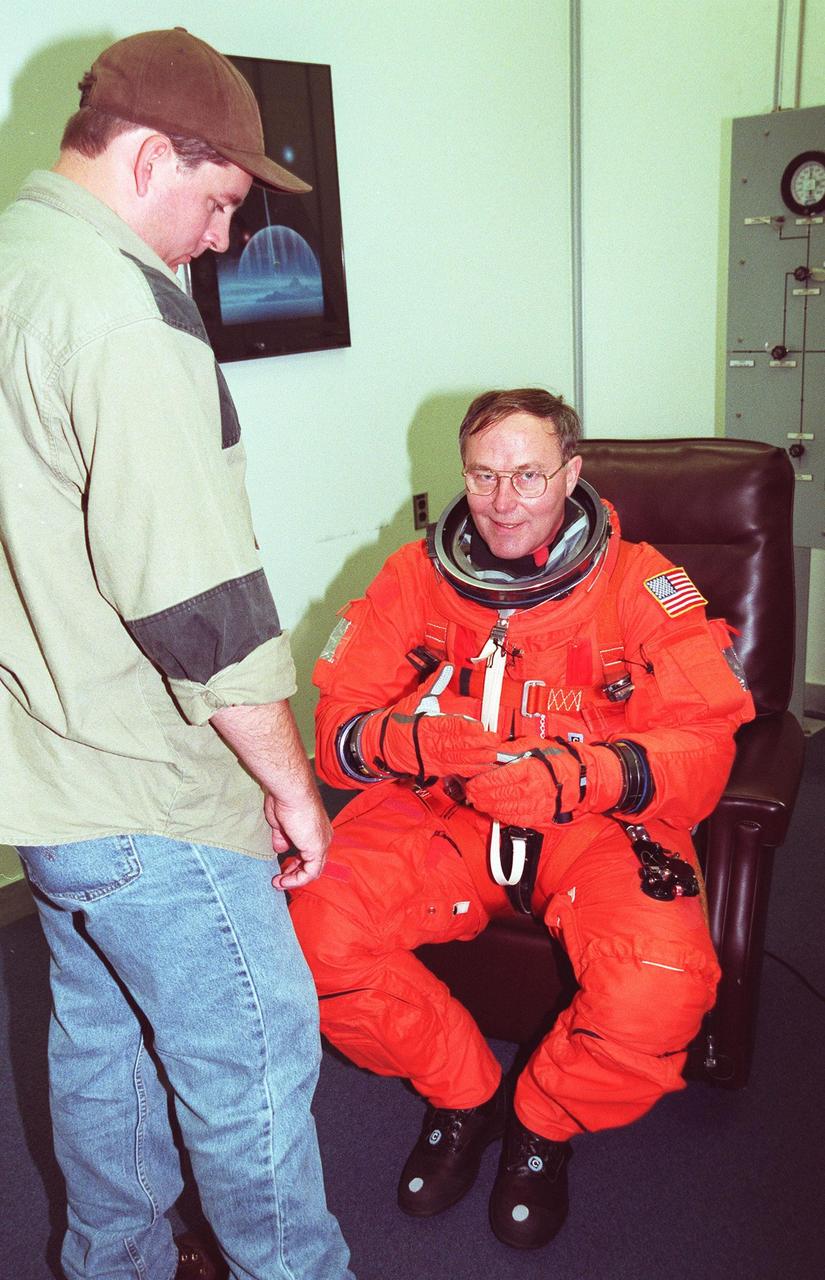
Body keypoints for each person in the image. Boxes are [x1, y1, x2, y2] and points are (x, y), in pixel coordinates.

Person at [0, 28, 353, 1280]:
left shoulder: (16, 261)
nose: (218, 239)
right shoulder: (120, 307)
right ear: (152, 157)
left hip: (47, 788)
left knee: (100, 1050)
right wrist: (290, 785)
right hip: (153, 797)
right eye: (216, 203)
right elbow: (199, 601)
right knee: (250, 1061)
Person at [289, 387, 754, 1251]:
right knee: (311, 934)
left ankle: (542, 1121)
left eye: (529, 475)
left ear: (571, 473)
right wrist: (412, 741)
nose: (503, 501)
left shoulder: (641, 581)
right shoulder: (411, 577)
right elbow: (334, 735)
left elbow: (706, 743)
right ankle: (464, 1096)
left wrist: (579, 774)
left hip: (596, 823)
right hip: (444, 808)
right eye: (483, 475)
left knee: (657, 989)